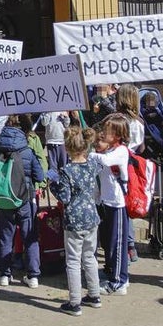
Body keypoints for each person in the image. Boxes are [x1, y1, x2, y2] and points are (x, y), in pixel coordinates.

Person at [50, 126, 104, 315]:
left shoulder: (66, 171)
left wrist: (53, 184)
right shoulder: (92, 165)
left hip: (74, 219)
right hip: (91, 217)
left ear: (67, 148)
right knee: (90, 257)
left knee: (73, 260)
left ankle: (74, 302)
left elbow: (64, 197)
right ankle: (94, 294)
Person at [0, 115, 45, 288]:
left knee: (5, 237)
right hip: (25, 198)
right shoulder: (27, 151)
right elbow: (39, 176)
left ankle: (4, 274)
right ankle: (33, 276)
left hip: (6, 198)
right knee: (29, 237)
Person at [94, 114, 133, 295]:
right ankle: (111, 271)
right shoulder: (108, 150)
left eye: (108, 131)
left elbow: (106, 162)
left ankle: (119, 281)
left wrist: (87, 152)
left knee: (118, 244)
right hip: (106, 202)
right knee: (109, 241)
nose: (104, 133)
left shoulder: (121, 151)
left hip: (118, 203)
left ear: (117, 134)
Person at [39, 111, 70, 177]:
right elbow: (44, 123)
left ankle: (64, 180)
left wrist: (66, 117)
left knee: (63, 164)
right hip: (51, 141)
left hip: (62, 141)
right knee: (52, 165)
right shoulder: (46, 112)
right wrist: (47, 114)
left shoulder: (62, 110)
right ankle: (53, 183)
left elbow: (67, 124)